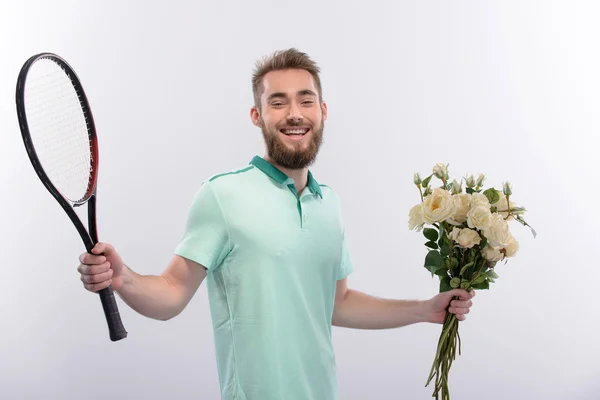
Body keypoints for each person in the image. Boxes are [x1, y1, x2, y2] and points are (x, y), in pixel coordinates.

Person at [77, 48, 475, 400]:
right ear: (258, 115)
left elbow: (337, 304)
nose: (295, 114)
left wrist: (425, 309)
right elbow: (171, 294)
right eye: (278, 102)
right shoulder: (222, 196)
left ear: (323, 110)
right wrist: (123, 277)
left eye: (306, 100)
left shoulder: (329, 204)